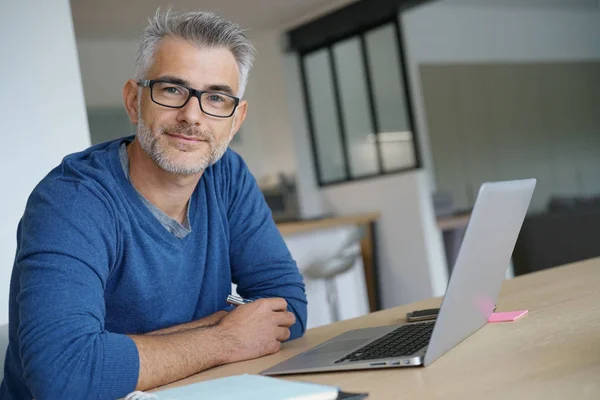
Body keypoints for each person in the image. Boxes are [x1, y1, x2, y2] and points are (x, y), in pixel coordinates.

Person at [0, 9, 307, 400]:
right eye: (172, 89)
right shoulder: (71, 201)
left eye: (216, 97)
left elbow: (288, 306)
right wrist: (226, 338)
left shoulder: (226, 175)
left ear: (236, 119)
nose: (191, 116)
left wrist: (120, 352)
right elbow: (64, 375)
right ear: (134, 100)